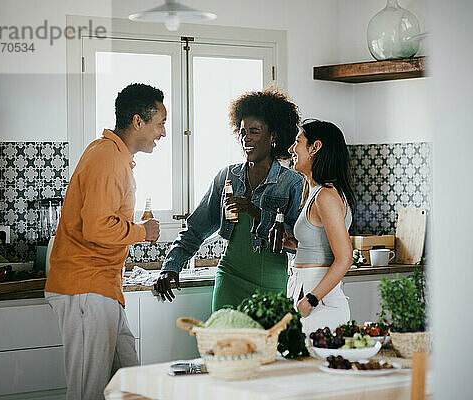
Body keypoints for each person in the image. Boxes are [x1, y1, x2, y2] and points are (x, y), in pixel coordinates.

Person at [44, 83, 164, 400]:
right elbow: (97, 228)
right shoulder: (108, 158)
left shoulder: (112, 155)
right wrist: (142, 231)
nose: (163, 133)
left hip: (101, 288)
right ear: (138, 121)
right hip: (86, 288)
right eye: (160, 123)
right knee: (88, 390)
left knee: (129, 384)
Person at [155, 88, 303, 311]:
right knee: (222, 345)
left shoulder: (292, 182)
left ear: (273, 135)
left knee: (267, 346)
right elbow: (196, 229)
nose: (246, 138)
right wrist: (171, 266)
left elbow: (297, 244)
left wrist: (256, 212)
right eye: (243, 132)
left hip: (272, 284)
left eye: (254, 131)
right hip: (230, 278)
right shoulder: (227, 177)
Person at [285, 119, 355, 336]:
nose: (291, 149)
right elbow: (322, 247)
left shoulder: (326, 196)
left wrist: (311, 299)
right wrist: (297, 245)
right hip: (306, 292)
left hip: (319, 300)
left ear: (315, 147)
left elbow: (345, 258)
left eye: (297, 142)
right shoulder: (314, 192)